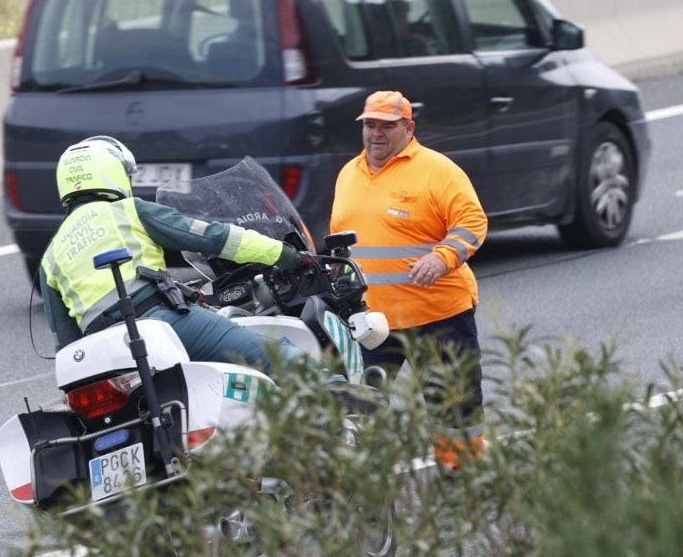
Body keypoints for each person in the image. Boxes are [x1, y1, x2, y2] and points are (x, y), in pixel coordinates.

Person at [40, 136, 307, 376]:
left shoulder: (50, 256)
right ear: (112, 174)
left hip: (104, 352)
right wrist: (287, 256)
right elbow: (214, 238)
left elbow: (66, 341)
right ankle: (339, 401)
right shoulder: (129, 210)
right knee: (277, 355)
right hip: (157, 321)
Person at [330, 90, 489, 468]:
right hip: (372, 325)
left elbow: (472, 222)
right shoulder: (349, 174)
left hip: (438, 319)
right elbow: (342, 241)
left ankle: (463, 490)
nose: (377, 134)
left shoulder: (437, 170)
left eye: (388, 126)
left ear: (409, 128)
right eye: (370, 125)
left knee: (454, 415)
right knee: (356, 415)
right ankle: (364, 499)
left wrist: (442, 257)